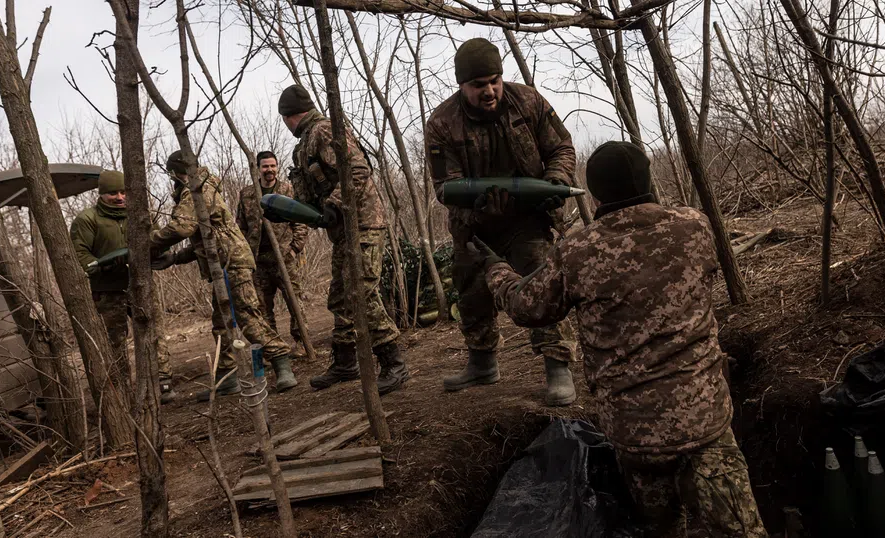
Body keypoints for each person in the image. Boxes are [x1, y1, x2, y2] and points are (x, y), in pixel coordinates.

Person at [473, 141, 767, 537]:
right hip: (705, 425)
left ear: (595, 195)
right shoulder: (694, 226)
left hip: (633, 434)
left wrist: (496, 270)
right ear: (648, 180)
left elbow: (528, 307)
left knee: (660, 531)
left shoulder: (578, 251)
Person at [425, 37, 578, 406]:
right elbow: (445, 187)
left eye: (494, 81)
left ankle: (557, 365)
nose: (490, 91)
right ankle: (482, 362)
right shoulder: (442, 123)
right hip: (474, 224)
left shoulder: (527, 101)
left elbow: (561, 147)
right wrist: (479, 207)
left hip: (528, 218)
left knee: (540, 280)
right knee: (471, 291)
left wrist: (556, 179)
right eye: (479, 85)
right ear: (462, 85)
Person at [277, 84, 408, 395]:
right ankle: (346, 362)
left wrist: (335, 204)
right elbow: (313, 196)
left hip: (362, 223)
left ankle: (393, 362)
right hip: (343, 232)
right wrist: (289, 211)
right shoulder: (304, 144)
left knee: (361, 292)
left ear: (288, 116)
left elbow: (358, 170)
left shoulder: (323, 130)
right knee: (339, 296)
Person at [150, 151, 299, 400]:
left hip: (233, 262)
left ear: (175, 173)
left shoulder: (197, 189)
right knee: (221, 323)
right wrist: (175, 257)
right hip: (221, 264)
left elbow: (182, 227)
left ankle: (281, 361)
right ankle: (227, 376)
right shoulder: (199, 188)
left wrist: (148, 243)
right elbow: (205, 239)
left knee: (247, 316)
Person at [70, 170, 177, 404]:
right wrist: (103, 265)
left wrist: (162, 254)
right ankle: (123, 390)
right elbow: (79, 253)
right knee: (115, 341)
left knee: (154, 330)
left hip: (140, 283)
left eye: (122, 192)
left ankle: (162, 380)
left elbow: (157, 240)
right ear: (101, 194)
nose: (119, 197)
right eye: (112, 193)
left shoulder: (139, 214)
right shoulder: (87, 219)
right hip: (107, 290)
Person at [236, 151, 310, 359]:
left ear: (277, 167)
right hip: (258, 260)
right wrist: (244, 254)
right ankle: (274, 349)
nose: (269, 170)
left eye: (272, 166)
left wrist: (294, 249)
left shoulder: (287, 190)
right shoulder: (247, 194)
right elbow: (240, 227)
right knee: (262, 307)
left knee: (295, 302)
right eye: (265, 166)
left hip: (284, 258)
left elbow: (300, 221)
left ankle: (302, 343)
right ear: (258, 169)